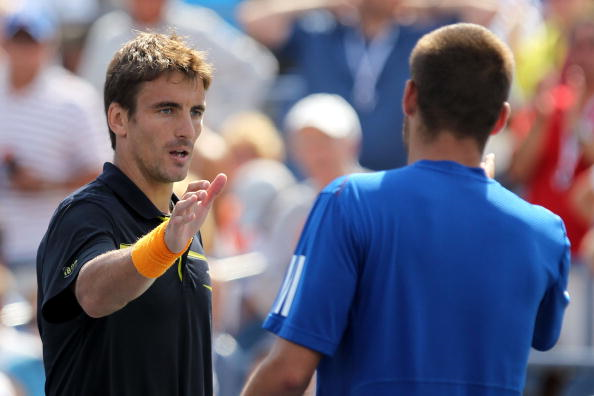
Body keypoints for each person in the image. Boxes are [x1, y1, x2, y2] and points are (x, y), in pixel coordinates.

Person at [241, 23, 570, 396]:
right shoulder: (544, 230)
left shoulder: (347, 201)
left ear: (409, 97)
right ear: (500, 119)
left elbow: (287, 374)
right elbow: (542, 335)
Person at [36, 32, 226, 395]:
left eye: (196, 111)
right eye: (166, 109)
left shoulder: (181, 223)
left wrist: (171, 240)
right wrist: (164, 246)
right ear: (119, 119)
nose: (187, 130)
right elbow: (93, 295)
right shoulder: (85, 213)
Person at [0, 1, 109, 296]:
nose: (24, 50)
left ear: (48, 45)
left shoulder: (74, 100)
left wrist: (45, 184)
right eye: (17, 40)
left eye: (31, 41)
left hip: (50, 247)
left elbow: (102, 173)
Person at [78, 0, 277, 131]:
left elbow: (258, 67)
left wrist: (224, 121)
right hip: (127, 143)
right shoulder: (107, 32)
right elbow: (91, 94)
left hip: (192, 145)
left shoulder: (197, 26)